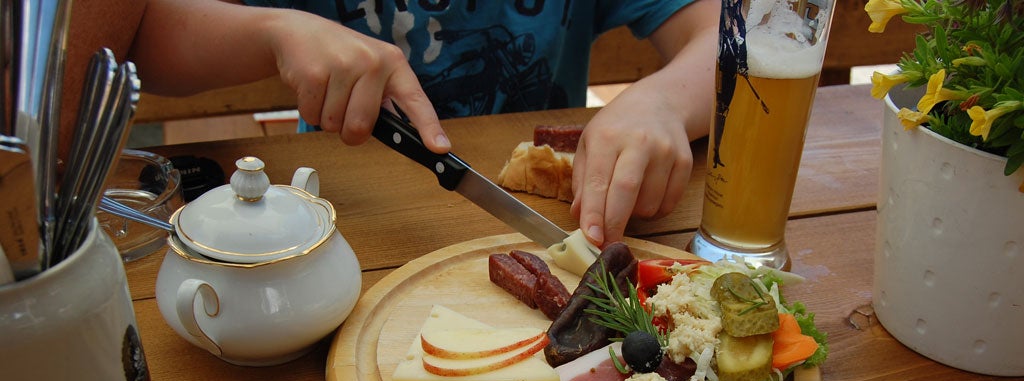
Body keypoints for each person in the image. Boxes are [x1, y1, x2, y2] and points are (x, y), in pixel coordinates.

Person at [67, 0, 718, 247]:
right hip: (339, 226)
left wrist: (663, 101)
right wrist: (271, 31)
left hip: (556, 219)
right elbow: (142, 35)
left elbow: (729, 27)